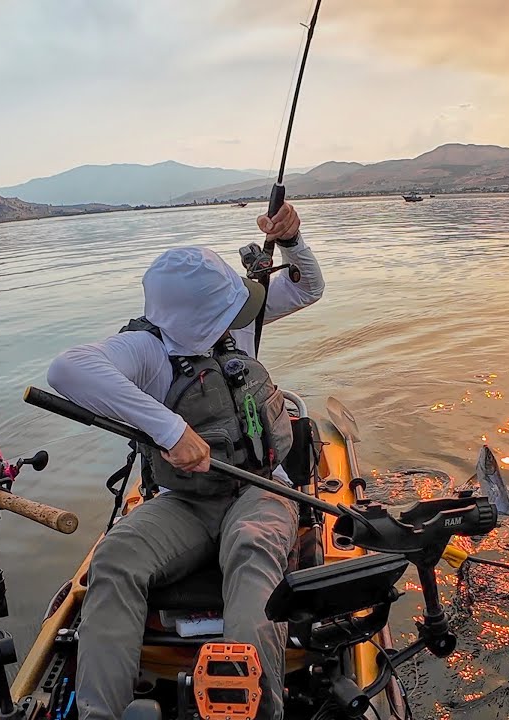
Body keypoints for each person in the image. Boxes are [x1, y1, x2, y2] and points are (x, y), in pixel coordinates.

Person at [46, 204, 323, 720]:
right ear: (193, 318)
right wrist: (171, 430)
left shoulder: (233, 323)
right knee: (115, 558)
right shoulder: (144, 351)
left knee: (251, 551)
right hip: (186, 503)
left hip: (261, 487)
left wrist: (292, 241)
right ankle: (100, 712)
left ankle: (255, 710)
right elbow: (66, 370)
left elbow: (308, 288)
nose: (241, 320)